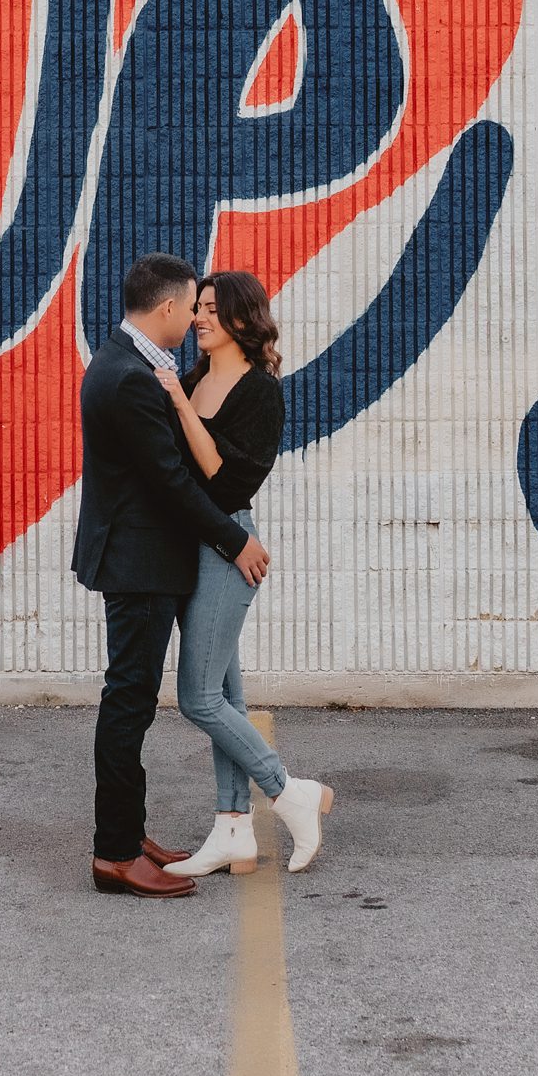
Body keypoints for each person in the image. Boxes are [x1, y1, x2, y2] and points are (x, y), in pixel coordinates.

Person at [75, 253, 272, 898]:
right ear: (166, 308)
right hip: (139, 562)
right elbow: (168, 479)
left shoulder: (135, 366)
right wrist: (234, 537)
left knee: (134, 700)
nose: (194, 319)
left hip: (145, 558)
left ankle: (129, 837)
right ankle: (114, 853)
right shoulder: (131, 376)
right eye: (192, 307)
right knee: (129, 701)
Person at [154, 271, 333, 877]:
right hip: (193, 544)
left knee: (198, 697)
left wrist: (178, 403)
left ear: (239, 318)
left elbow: (228, 481)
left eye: (209, 308)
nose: (197, 317)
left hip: (229, 546)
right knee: (225, 694)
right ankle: (233, 829)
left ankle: (289, 792)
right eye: (197, 307)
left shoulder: (259, 390)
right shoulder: (197, 378)